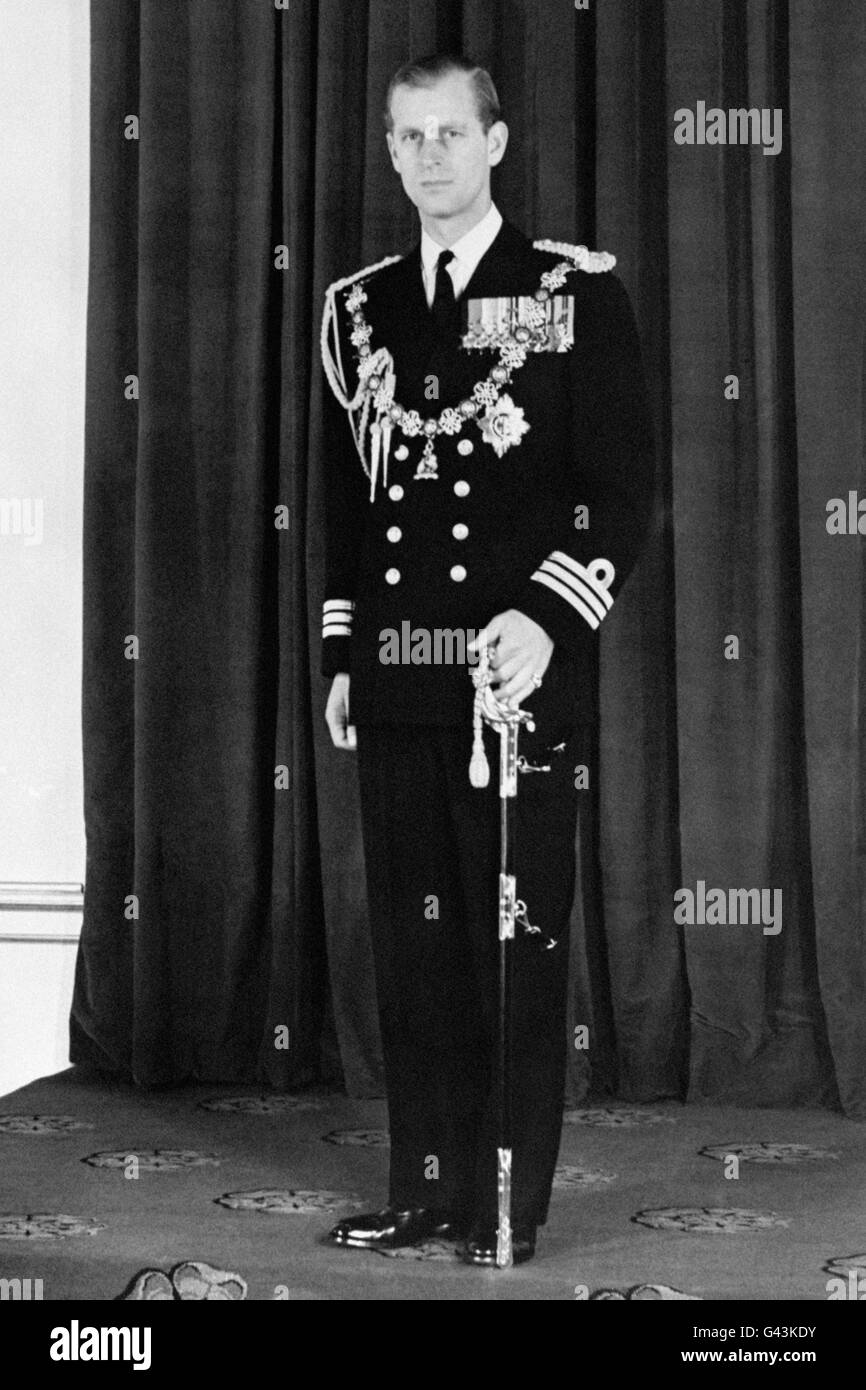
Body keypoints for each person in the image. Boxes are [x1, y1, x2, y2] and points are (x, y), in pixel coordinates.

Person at [319, 53, 654, 1266]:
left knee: (509, 947)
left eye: (450, 134)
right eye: (407, 138)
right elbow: (347, 501)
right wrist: (346, 652)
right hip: (404, 676)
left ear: (496, 143)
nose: (427, 160)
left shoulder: (564, 291)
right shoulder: (362, 309)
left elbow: (619, 495)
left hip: (511, 677)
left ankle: (504, 1202)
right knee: (413, 954)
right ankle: (421, 1192)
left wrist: (551, 619)